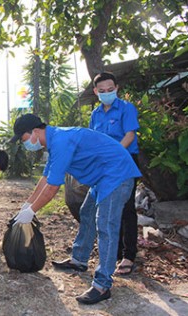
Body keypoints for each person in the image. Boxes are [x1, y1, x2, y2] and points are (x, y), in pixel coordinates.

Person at [10, 114, 140, 305]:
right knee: (87, 214)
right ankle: (79, 260)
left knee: (106, 225)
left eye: (25, 139)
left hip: (116, 174)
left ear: (35, 132)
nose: (26, 144)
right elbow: (45, 179)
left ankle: (102, 285)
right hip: (102, 177)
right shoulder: (54, 142)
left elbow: (53, 188)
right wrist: (26, 206)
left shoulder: (62, 141)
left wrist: (31, 213)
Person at [90, 72, 140, 276]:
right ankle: (115, 253)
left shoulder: (126, 108)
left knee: (126, 207)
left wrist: (114, 154)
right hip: (104, 164)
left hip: (124, 161)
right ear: (96, 92)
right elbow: (93, 139)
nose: (107, 93)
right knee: (109, 207)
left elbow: (130, 135)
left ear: (117, 88)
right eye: (102, 91)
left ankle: (129, 255)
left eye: (110, 90)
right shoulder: (95, 114)